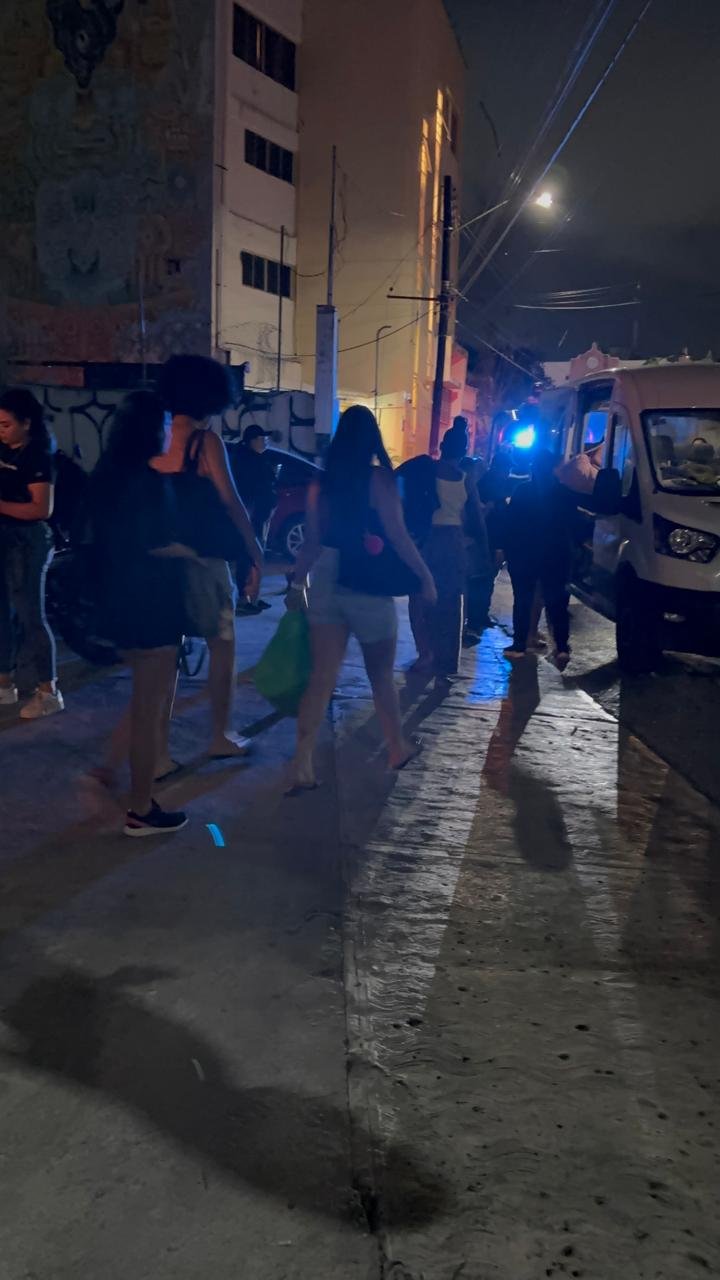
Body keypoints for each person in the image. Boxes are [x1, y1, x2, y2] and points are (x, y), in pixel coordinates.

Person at [285, 405, 436, 792]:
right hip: (367, 581)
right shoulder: (380, 480)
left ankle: (302, 763)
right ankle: (396, 748)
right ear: (372, 440)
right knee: (381, 675)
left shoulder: (321, 484)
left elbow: (312, 541)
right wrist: (424, 576)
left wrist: (296, 584)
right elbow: (398, 535)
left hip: (327, 577)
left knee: (321, 677)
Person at [152, 355, 263, 759]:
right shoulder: (205, 443)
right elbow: (231, 503)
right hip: (203, 560)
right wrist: (255, 551)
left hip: (158, 559)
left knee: (164, 657)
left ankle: (156, 752)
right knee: (222, 644)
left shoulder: (154, 437)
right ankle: (220, 735)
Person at [90, 391, 188, 835]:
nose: (169, 432)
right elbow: (157, 542)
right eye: (165, 424)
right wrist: (194, 552)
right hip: (152, 604)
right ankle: (141, 808)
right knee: (150, 711)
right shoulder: (148, 483)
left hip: (115, 600)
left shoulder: (105, 475)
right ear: (151, 430)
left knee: (142, 701)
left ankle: (112, 777)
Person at [0, 388, 63, 719]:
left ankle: (48, 691)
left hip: (28, 541)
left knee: (30, 614)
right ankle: (4, 683)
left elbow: (41, 509)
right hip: (4, 537)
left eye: (6, 424)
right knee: (2, 613)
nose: (0, 431)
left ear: (26, 423)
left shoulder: (38, 456)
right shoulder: (4, 449)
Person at [408, 420, 486, 678]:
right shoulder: (466, 479)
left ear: (442, 446)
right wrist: (482, 549)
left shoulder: (427, 471)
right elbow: (475, 517)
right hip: (454, 541)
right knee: (451, 601)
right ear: (463, 451)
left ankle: (425, 653)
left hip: (427, 539)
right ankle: (448, 660)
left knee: (419, 596)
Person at [500, 449, 576, 670]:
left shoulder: (523, 491)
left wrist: (506, 549)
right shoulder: (564, 492)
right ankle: (561, 647)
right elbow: (573, 524)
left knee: (523, 598)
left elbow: (511, 523)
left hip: (526, 553)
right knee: (557, 601)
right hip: (556, 553)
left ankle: (520, 643)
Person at [229, 424, 277, 611]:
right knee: (248, 554)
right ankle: (244, 597)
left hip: (260, 514)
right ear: (252, 441)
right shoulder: (246, 461)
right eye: (262, 438)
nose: (265, 442)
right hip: (251, 515)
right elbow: (250, 489)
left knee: (256, 555)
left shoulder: (259, 459)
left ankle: (254, 596)